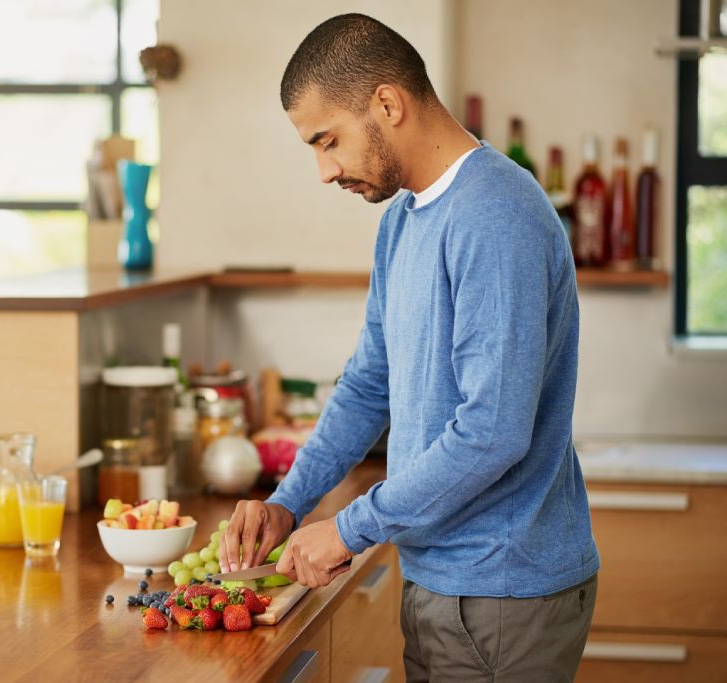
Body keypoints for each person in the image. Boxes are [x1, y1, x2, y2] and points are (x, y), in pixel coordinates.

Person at [218, 13, 599, 682]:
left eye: (327, 140)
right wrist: (289, 500)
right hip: (442, 578)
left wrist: (350, 526)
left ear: (387, 104)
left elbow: (491, 432)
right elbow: (370, 382)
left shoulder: (495, 214)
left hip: (501, 590)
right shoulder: (404, 219)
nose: (324, 170)